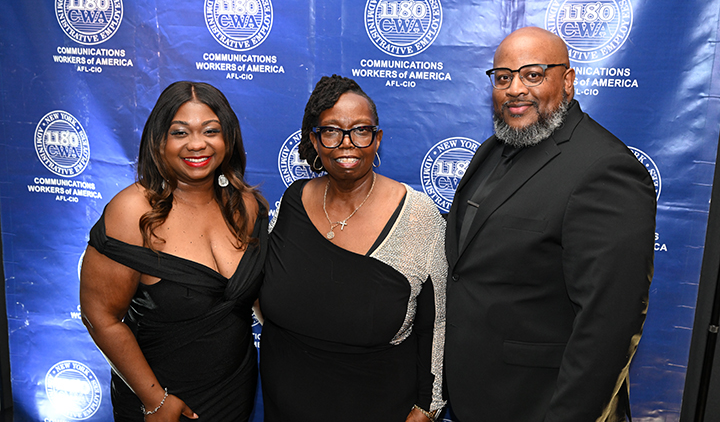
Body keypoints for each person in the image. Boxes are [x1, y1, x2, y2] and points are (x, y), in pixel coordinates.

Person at [444, 27, 656, 422]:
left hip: (541, 404)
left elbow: (609, 324)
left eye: (533, 74)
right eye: (503, 77)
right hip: (479, 397)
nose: (515, 89)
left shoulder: (605, 169)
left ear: (568, 81)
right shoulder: (494, 148)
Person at [258, 75, 447, 422]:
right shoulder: (292, 202)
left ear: (377, 139)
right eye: (331, 131)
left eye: (361, 130)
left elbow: (436, 324)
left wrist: (428, 406)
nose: (347, 143)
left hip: (379, 406)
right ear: (314, 140)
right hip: (285, 403)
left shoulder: (418, 215)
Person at [79, 81, 267, 421]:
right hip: (160, 401)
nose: (197, 144)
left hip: (234, 393)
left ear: (228, 138)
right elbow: (100, 316)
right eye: (180, 132)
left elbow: (262, 300)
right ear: (159, 140)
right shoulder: (131, 211)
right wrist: (155, 400)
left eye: (211, 131)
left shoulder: (247, 206)